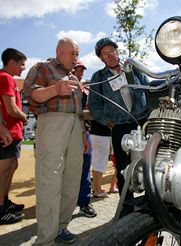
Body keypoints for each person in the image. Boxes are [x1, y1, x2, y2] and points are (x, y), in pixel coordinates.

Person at [24, 38, 89, 245]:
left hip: (75, 127)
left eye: (77, 54)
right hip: (52, 123)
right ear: (59, 51)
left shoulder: (74, 77)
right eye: (72, 53)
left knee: (72, 179)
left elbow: (77, 111)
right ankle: (46, 239)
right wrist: (54, 89)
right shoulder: (42, 67)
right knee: (49, 179)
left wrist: (82, 133)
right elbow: (30, 93)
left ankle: (61, 226)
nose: (75, 58)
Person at [88, 38, 150, 210]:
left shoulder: (133, 69)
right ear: (101, 59)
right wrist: (107, 121)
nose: (110, 55)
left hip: (142, 122)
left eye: (112, 51)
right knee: (123, 169)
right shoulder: (99, 77)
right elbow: (93, 105)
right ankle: (127, 208)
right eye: (105, 54)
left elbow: (149, 89)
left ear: (117, 52)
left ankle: (150, 203)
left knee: (149, 164)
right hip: (120, 127)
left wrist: (149, 113)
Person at [0, 48, 27, 225]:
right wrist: (24, 116)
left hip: (12, 131)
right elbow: (11, 108)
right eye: (21, 65)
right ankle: (1, 210)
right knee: (3, 171)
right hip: (8, 133)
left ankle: (5, 201)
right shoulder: (5, 78)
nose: (23, 69)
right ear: (12, 63)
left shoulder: (6, 78)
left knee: (12, 167)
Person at [73, 61, 97, 218]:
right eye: (78, 70)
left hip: (84, 130)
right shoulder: (65, 85)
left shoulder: (83, 89)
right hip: (70, 131)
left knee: (85, 168)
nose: (80, 74)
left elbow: (82, 112)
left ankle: (84, 202)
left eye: (82, 71)